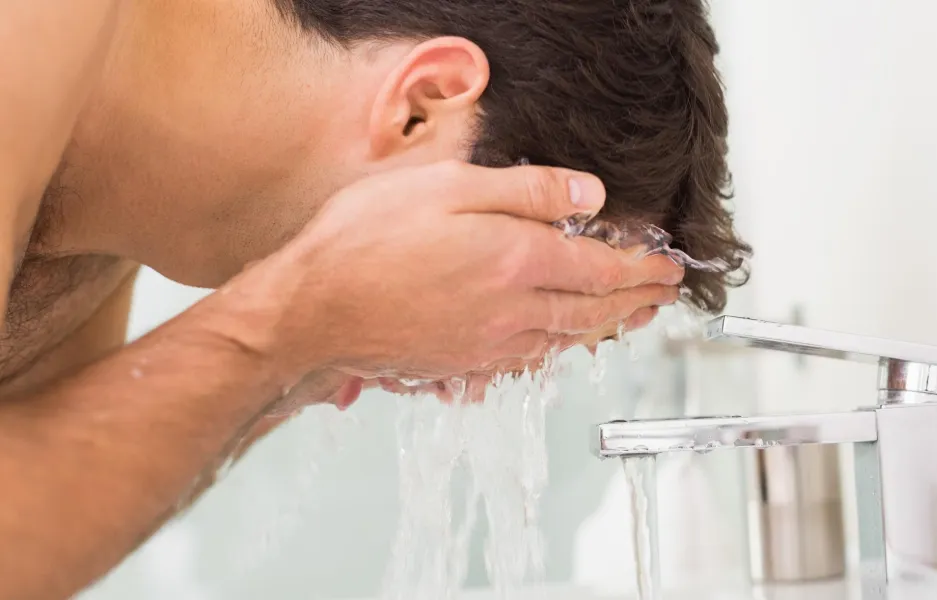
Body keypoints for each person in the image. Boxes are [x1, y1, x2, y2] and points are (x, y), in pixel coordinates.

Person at [0, 0, 750, 598]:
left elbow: (28, 534)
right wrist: (294, 321)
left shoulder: (114, 220)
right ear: (422, 104)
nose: (469, 369)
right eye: (504, 266)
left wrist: (298, 359)